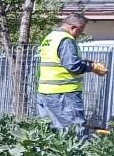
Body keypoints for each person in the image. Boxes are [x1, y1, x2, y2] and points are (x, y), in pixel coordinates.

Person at [37, 12, 108, 140]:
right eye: (80, 31)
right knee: (74, 134)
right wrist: (92, 67)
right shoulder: (66, 40)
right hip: (64, 94)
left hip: (45, 93)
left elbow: (60, 61)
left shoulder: (50, 37)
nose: (79, 35)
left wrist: (88, 63)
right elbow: (72, 65)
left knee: (50, 133)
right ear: (73, 27)